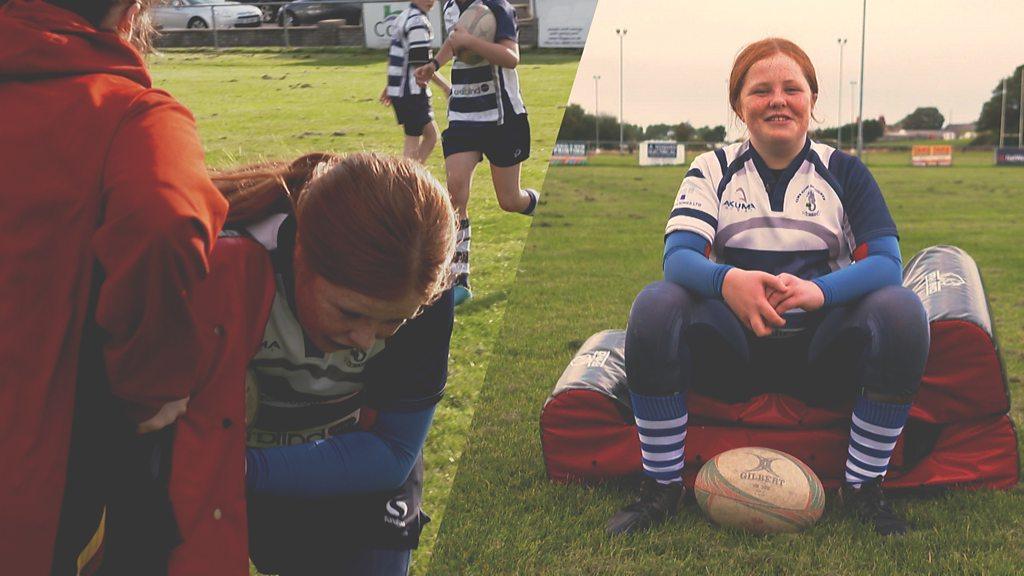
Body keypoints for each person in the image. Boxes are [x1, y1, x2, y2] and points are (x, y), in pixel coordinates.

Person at [606, 38, 930, 537]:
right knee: (656, 305)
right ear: (739, 106)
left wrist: (818, 293)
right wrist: (729, 281)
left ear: (812, 101)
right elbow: (679, 259)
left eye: (791, 88)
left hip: (822, 355)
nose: (778, 99)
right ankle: (662, 486)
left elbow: (887, 264)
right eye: (761, 90)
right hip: (734, 352)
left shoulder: (844, 170)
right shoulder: (711, 168)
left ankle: (866, 488)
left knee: (900, 310)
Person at [0, 0, 228, 573]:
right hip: (30, 477)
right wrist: (150, 386)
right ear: (131, 11)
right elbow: (167, 222)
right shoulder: (131, 114)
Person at [210, 152, 456, 576]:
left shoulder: (425, 291)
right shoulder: (227, 258)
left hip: (357, 478)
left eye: (392, 321)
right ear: (300, 251)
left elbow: (392, 451)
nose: (363, 339)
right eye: (350, 312)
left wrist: (244, 469)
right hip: (216, 465)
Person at [413, 0, 539, 305]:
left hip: (502, 117)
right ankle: (459, 280)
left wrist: (472, 42)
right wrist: (435, 65)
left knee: (509, 201)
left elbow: (511, 58)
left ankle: (537, 204)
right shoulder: (450, 7)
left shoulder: (498, 7)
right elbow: (454, 41)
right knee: (454, 195)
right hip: (463, 117)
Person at [380, 0, 451, 163]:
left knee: (430, 136)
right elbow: (421, 66)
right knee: (416, 141)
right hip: (412, 92)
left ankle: (409, 178)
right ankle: (405, 182)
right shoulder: (418, 22)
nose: (431, 1)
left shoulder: (403, 17)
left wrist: (391, 85)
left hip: (402, 91)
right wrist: (446, 86)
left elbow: (397, 57)